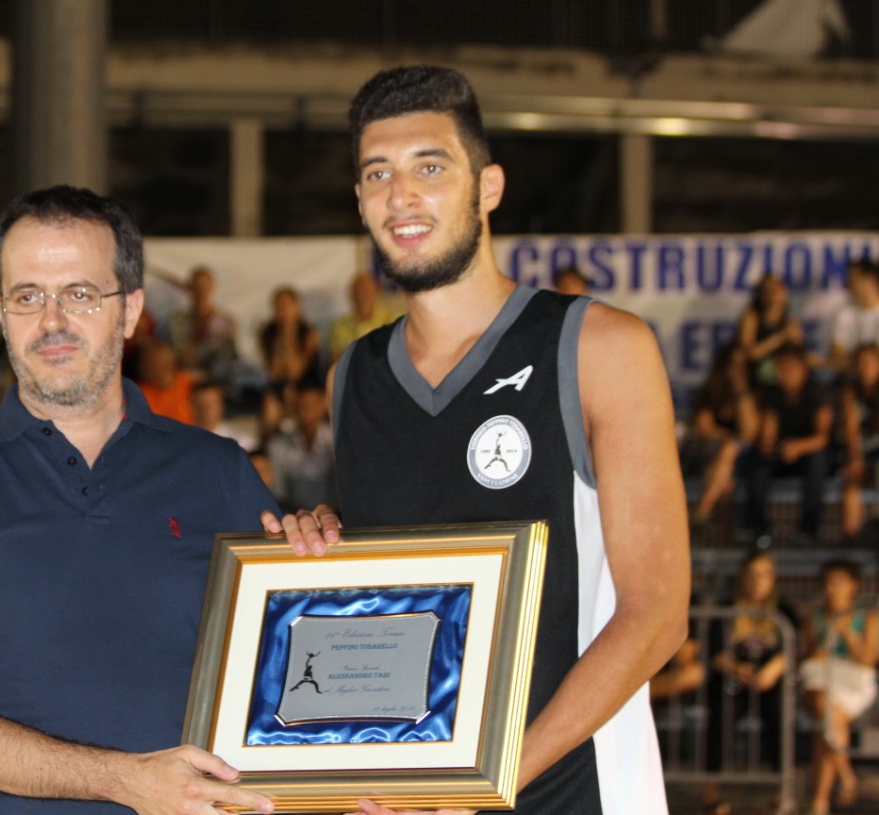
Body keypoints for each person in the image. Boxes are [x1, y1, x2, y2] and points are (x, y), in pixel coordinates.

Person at [269, 65, 689, 814]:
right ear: (360, 201)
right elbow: (385, 596)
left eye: (430, 167)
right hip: (409, 799)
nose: (402, 195)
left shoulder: (599, 347)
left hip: (574, 792)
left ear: (488, 187)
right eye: (378, 173)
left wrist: (482, 782)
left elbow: (656, 614)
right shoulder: (351, 377)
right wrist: (321, 545)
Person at [0, 185, 282, 815]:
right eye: (27, 297)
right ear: (1, 314)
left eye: (79, 294)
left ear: (130, 311)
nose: (52, 322)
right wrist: (127, 781)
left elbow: (286, 670)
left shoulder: (219, 470)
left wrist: (318, 551)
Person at [703, 551, 798, 815]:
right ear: (742, 577)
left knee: (779, 715)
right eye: (752, 575)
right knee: (721, 716)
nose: (757, 582)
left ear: (772, 579)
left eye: (764, 575)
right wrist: (737, 668)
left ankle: (782, 789)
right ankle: (711, 791)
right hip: (732, 681)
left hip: (770, 682)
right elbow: (714, 652)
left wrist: (771, 671)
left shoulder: (784, 611)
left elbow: (793, 650)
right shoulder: (727, 608)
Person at [798, 559, 878, 815]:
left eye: (839, 583)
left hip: (851, 686)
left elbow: (869, 660)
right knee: (826, 711)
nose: (831, 589)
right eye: (828, 583)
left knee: (825, 725)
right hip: (821, 686)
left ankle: (819, 801)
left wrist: (846, 633)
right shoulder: (814, 618)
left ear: (853, 586)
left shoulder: (868, 618)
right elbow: (807, 658)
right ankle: (844, 776)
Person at [743, 343, 833, 544]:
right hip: (783, 453)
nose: (784, 373)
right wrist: (773, 447)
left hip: (809, 453)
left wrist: (798, 447)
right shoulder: (773, 394)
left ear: (803, 369)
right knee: (758, 461)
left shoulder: (817, 393)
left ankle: (809, 528)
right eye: (780, 367)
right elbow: (768, 434)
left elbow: (822, 437)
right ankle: (755, 526)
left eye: (789, 367)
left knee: (817, 461)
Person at [684, 342, 759, 528]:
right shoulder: (709, 392)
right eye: (733, 364)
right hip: (708, 454)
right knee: (727, 471)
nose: (737, 370)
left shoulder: (753, 394)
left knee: (728, 478)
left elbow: (750, 433)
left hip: (742, 460)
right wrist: (730, 438)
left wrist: (741, 392)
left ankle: (704, 510)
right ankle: (722, 535)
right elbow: (705, 429)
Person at [258, 285, 321, 433]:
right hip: (281, 384)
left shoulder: (308, 334)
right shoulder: (268, 334)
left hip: (306, 383)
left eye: (285, 305)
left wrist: (289, 333)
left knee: (301, 399)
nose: (282, 310)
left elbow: (297, 370)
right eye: (278, 306)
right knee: (270, 404)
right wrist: (281, 335)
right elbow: (274, 371)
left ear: (296, 307)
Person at [266, 382, 337, 512]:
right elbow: (279, 492)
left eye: (311, 405)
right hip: (293, 515)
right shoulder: (278, 445)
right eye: (301, 405)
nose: (306, 410)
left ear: (323, 404)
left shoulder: (336, 442)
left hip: (335, 515)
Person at [165, 265, 238, 384]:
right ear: (190, 288)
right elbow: (179, 349)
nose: (201, 291)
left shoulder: (227, 322)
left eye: (205, 286)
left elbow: (227, 355)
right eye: (197, 286)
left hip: (216, 381)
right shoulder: (177, 320)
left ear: (212, 287)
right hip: (182, 378)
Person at [838, 343, 879, 542]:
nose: (864, 367)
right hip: (863, 453)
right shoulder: (851, 392)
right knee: (851, 482)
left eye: (869, 362)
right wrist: (855, 458)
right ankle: (851, 537)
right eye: (860, 362)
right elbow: (850, 427)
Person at [736, 273, 803, 388]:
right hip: (755, 373)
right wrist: (782, 336)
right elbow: (749, 353)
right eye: (767, 290)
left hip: (781, 374)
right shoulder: (752, 317)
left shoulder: (788, 321)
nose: (772, 294)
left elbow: (799, 354)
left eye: (776, 289)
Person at [327, 272, 397, 361]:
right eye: (358, 291)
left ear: (376, 292)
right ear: (351, 295)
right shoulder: (339, 327)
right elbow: (336, 361)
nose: (362, 295)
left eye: (367, 291)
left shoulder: (391, 321)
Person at [829, 257, 879, 374]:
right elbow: (836, 355)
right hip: (851, 378)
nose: (848, 283)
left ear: (870, 279)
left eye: (853, 278)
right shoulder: (845, 314)